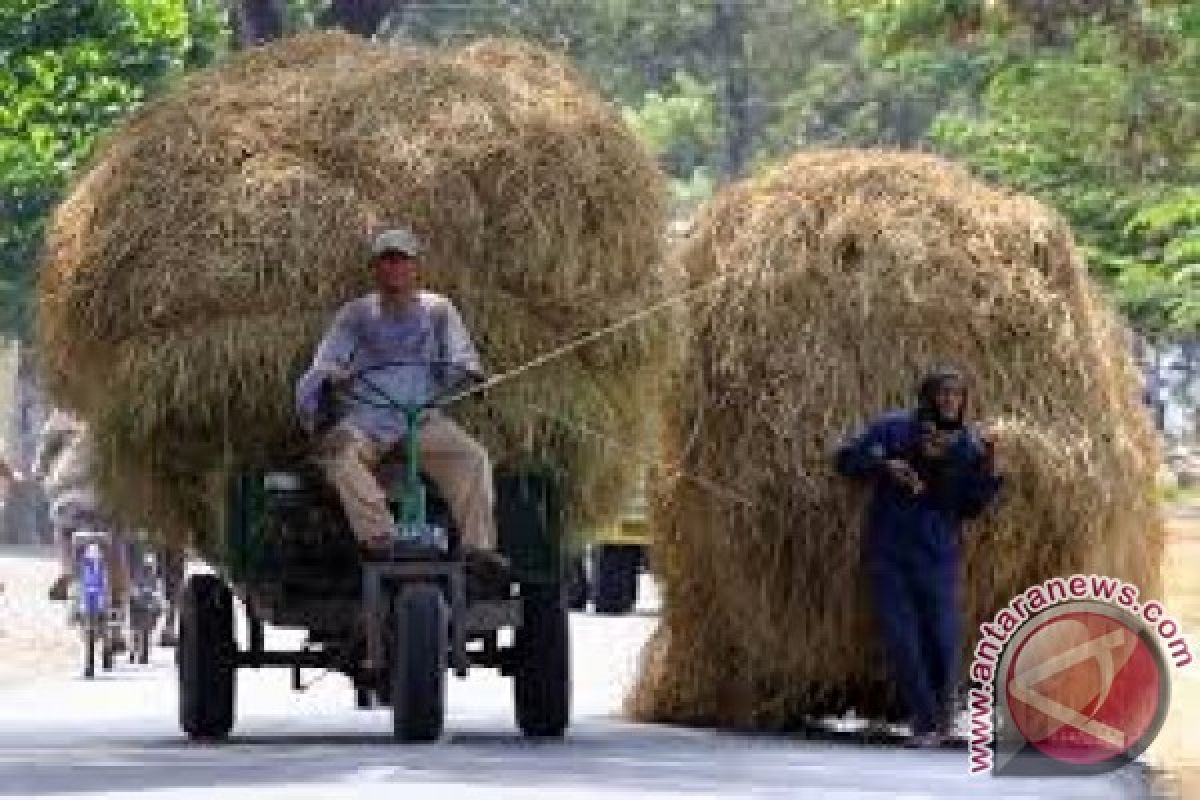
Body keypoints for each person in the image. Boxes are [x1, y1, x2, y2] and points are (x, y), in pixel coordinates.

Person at [295, 227, 505, 574]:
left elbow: (462, 357)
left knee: (472, 458)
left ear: (416, 267)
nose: (394, 268)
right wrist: (331, 375)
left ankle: (477, 551)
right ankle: (381, 540)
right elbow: (325, 362)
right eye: (386, 261)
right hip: (366, 420)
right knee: (338, 456)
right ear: (375, 269)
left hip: (420, 419)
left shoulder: (439, 310)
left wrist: (472, 374)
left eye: (401, 260)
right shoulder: (356, 315)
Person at [835, 367, 1002, 748]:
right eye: (943, 394)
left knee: (942, 634)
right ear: (927, 397)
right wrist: (883, 466)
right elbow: (845, 459)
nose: (950, 402)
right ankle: (924, 722)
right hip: (889, 547)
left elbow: (970, 507)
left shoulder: (969, 445)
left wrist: (991, 472)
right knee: (901, 637)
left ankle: (944, 717)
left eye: (957, 396)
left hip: (936, 549)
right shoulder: (892, 429)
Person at [34, 410, 130, 627]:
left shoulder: (62, 415)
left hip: (70, 496)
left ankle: (69, 574)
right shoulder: (121, 411)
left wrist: (40, 474)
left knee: (63, 529)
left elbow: (42, 460)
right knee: (115, 542)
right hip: (110, 498)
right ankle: (117, 610)